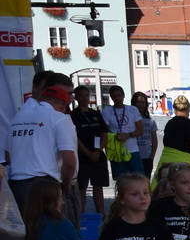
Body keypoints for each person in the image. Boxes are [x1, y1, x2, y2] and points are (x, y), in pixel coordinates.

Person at [7, 76, 77, 205]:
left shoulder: (18, 117)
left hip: (17, 184)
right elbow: (70, 161)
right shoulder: (59, 118)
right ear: (63, 104)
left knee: (25, 224)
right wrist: (66, 186)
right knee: (51, 224)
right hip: (46, 185)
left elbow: (8, 153)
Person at [71, 85, 109, 217]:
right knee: (81, 187)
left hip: (98, 156)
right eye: (80, 95)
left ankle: (101, 215)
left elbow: (104, 134)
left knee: (98, 186)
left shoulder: (96, 114)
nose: (84, 98)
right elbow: (74, 137)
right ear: (76, 97)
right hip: (82, 156)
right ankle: (80, 217)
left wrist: (98, 151)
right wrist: (88, 153)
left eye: (86, 95)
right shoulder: (72, 115)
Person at [156, 96, 190, 182]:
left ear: (174, 109)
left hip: (165, 163)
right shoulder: (189, 124)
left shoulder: (169, 123)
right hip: (182, 165)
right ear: (188, 108)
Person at [103, 85, 144, 176]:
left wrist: (128, 135)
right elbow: (105, 131)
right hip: (116, 151)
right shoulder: (107, 111)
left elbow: (140, 130)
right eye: (114, 96)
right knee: (120, 180)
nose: (117, 98)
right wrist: (115, 135)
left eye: (119, 95)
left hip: (132, 150)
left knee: (139, 177)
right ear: (111, 97)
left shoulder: (132, 109)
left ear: (123, 95)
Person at [131, 92, 158, 178]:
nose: (141, 105)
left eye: (143, 102)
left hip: (147, 156)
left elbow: (154, 139)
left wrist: (152, 155)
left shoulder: (150, 121)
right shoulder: (130, 120)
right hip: (133, 155)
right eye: (138, 102)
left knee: (146, 180)